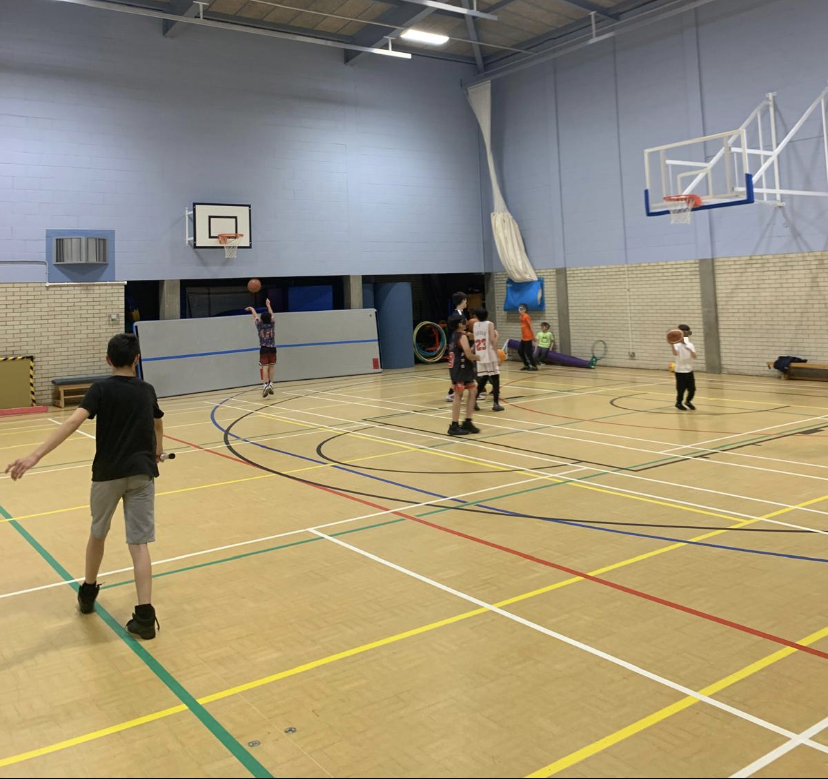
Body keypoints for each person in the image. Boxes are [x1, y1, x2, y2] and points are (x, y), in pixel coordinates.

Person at [4, 333, 164, 639]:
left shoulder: (100, 388)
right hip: (142, 473)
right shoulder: (147, 390)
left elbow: (71, 422)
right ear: (137, 359)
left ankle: (88, 593)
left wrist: (35, 455)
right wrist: (158, 449)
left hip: (108, 474)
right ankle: (145, 616)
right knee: (139, 544)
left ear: (107, 360)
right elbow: (157, 422)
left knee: (98, 532)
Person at [447, 316, 481, 436]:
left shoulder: (455, 335)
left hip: (463, 367)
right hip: (459, 368)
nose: (465, 322)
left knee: (473, 391)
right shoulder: (462, 336)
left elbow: (464, 351)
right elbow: (469, 355)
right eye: (463, 321)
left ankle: (468, 421)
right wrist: (480, 357)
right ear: (458, 324)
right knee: (458, 395)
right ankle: (454, 425)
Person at [472, 308, 504, 412]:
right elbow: (492, 339)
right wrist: (497, 354)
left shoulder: (475, 325)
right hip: (489, 354)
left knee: (484, 378)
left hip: (480, 354)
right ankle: (496, 403)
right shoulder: (490, 324)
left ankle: (473, 400)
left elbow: (475, 340)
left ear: (477, 316)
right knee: (496, 379)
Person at [246, 299, 277, 397]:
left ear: (262, 319)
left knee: (264, 367)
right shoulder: (272, 323)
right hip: (272, 348)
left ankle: (265, 385)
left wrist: (252, 309)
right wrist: (268, 305)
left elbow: (255, 316)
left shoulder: (259, 325)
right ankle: (271, 384)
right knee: (271, 366)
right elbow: (271, 314)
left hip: (264, 349)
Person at [445, 291, 469, 403]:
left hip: (458, 342)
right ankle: (452, 392)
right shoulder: (457, 316)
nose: (466, 302)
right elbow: (462, 330)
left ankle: (453, 392)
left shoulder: (461, 314)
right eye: (465, 300)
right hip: (457, 344)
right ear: (463, 300)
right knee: (459, 368)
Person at [672, 324, 697, 410]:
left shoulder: (690, 344)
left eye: (687, 333)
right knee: (681, 390)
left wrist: (691, 351)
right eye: (684, 333)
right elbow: (675, 353)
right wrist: (671, 344)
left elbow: (694, 356)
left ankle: (688, 401)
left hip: (689, 370)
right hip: (680, 371)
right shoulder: (676, 345)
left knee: (692, 389)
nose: (686, 335)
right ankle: (678, 403)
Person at [518, 304, 538, 371]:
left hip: (528, 337)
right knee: (520, 351)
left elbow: (531, 326)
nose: (519, 310)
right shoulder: (520, 317)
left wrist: (534, 336)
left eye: (521, 309)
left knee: (528, 352)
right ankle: (526, 365)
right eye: (519, 308)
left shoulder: (526, 316)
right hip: (523, 338)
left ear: (525, 310)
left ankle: (534, 366)